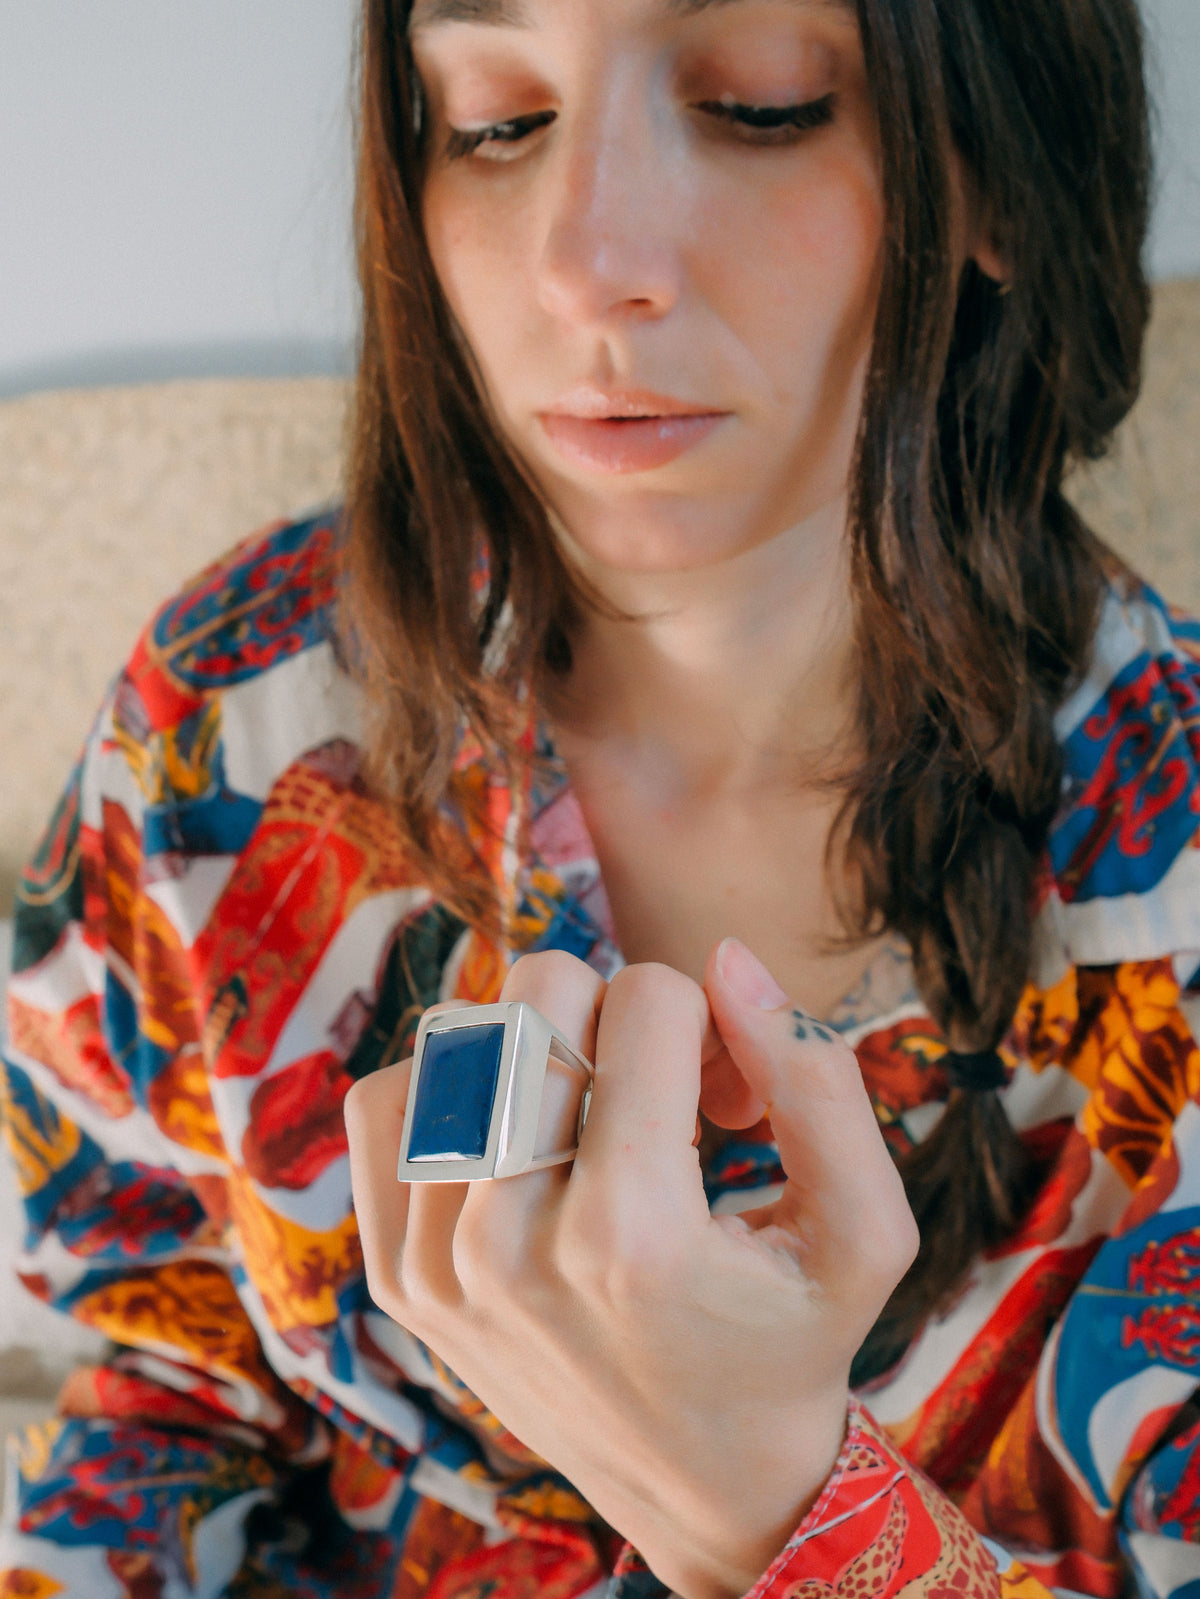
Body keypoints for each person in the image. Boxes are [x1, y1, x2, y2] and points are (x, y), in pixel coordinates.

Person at [2, 0, 1197, 1594]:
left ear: (992, 172)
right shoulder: (233, 712)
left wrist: (782, 1515)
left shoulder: (1165, 886)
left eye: (760, 105)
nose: (580, 265)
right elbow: (157, 1372)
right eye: (496, 121)